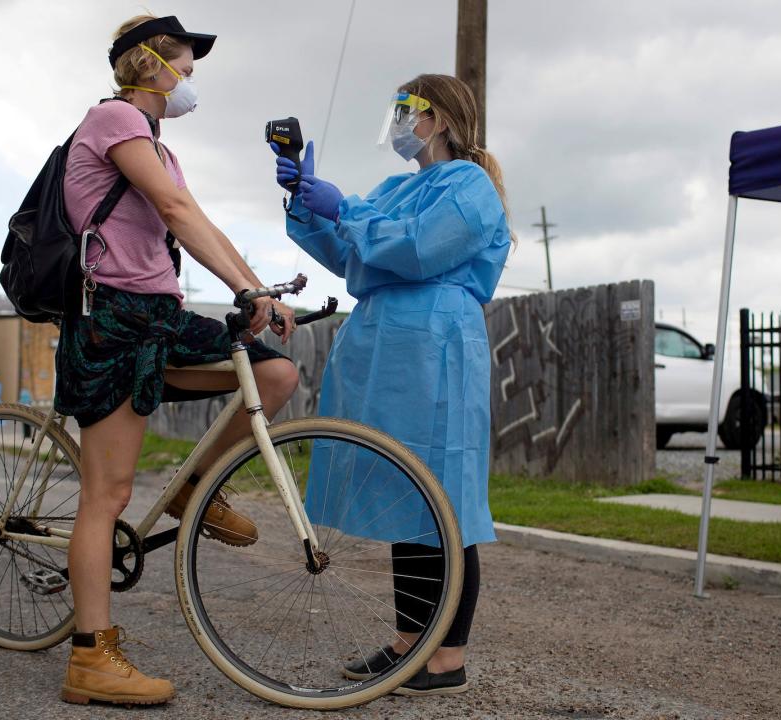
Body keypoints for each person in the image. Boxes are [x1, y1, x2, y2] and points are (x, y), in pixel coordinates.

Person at [56, 14, 299, 707]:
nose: (190, 78)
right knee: (109, 494)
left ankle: (194, 487)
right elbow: (173, 208)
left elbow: (192, 215)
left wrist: (256, 286)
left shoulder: (160, 146)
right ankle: (89, 658)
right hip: (108, 318)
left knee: (275, 373)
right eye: (184, 66)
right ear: (148, 64)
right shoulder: (113, 119)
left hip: (158, 316)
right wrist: (243, 286)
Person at [271, 73, 513, 696]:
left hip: (436, 344)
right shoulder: (394, 188)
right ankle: (411, 642)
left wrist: (345, 206)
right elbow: (354, 254)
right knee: (408, 493)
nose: (399, 120)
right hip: (386, 342)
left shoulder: (470, 185)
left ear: (440, 118)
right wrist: (305, 199)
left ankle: (446, 657)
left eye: (407, 109)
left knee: (445, 497)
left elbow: (415, 248)